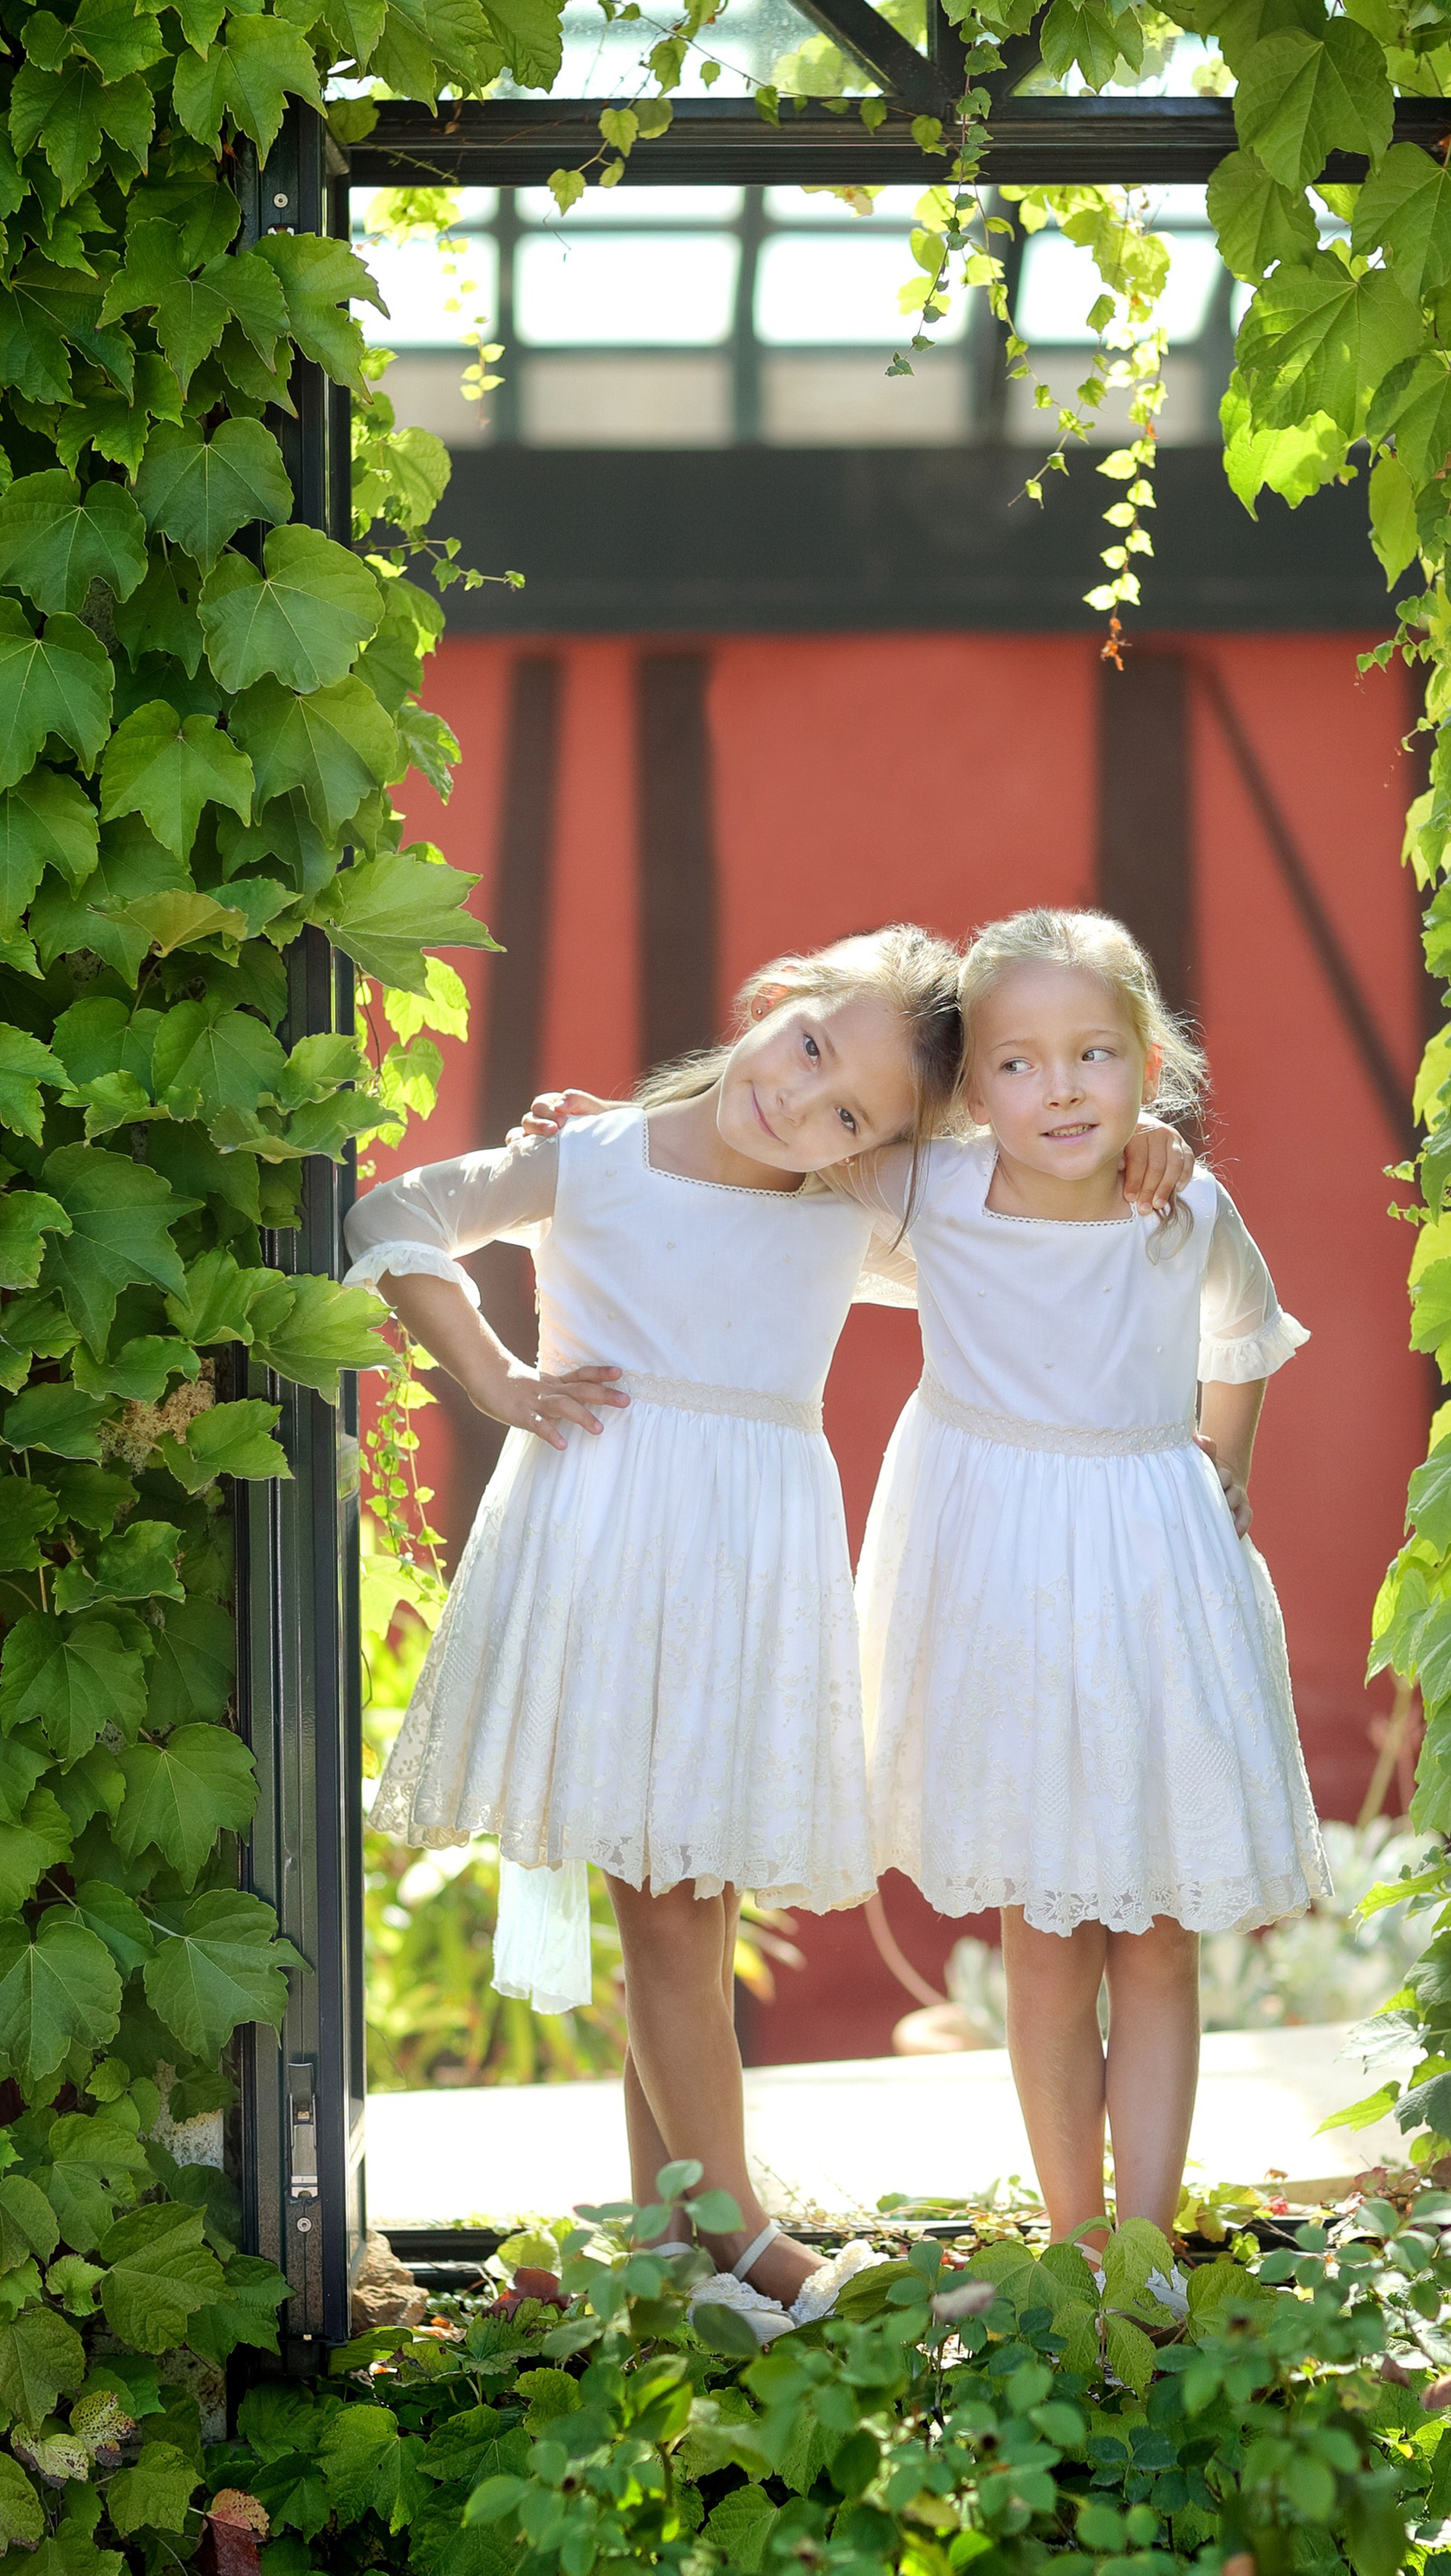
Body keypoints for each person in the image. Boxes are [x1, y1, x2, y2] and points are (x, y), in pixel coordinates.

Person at [354, 925, 1189, 2332]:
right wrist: (493, 1375)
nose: (801, 1103)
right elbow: (395, 1214)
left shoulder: (839, 1209)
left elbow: (1024, 1226)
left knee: (693, 1899)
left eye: (851, 1115)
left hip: (745, 1577)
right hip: (614, 1561)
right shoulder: (593, 1157)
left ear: (878, 1147)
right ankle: (746, 2237)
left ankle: (668, 2239)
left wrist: (1133, 1148)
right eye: (808, 1049)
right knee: (669, 1911)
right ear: (775, 999)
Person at [856, 908, 1329, 2267]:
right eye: (1016, 1063)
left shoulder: (1183, 1207)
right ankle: (1075, 2251)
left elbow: (1244, 1328)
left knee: (1158, 1930)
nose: (1059, 1088)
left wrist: (1226, 1471)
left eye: (1094, 1054)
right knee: (1048, 1929)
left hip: (1146, 1585)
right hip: (1002, 1594)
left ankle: (1145, 2256)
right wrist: (612, 1136)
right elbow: (778, 1164)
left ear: (1149, 1062)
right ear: (968, 1087)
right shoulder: (934, 1193)